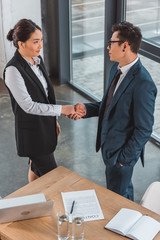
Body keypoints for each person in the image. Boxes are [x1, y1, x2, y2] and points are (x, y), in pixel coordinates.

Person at [71, 21, 157, 200]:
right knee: (123, 191)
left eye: (112, 43)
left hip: (120, 156)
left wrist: (123, 159)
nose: (108, 47)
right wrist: (85, 109)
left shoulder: (143, 83)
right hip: (110, 149)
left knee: (116, 199)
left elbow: (144, 129)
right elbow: (110, 104)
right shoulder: (115, 70)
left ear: (125, 46)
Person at [3, 19, 83, 183]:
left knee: (36, 167)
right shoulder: (12, 70)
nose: (40, 45)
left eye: (41, 40)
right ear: (21, 44)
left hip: (44, 128)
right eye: (35, 41)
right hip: (33, 134)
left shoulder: (37, 61)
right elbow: (28, 106)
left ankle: (33, 201)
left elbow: (46, 97)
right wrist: (62, 110)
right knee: (53, 179)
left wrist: (52, 120)